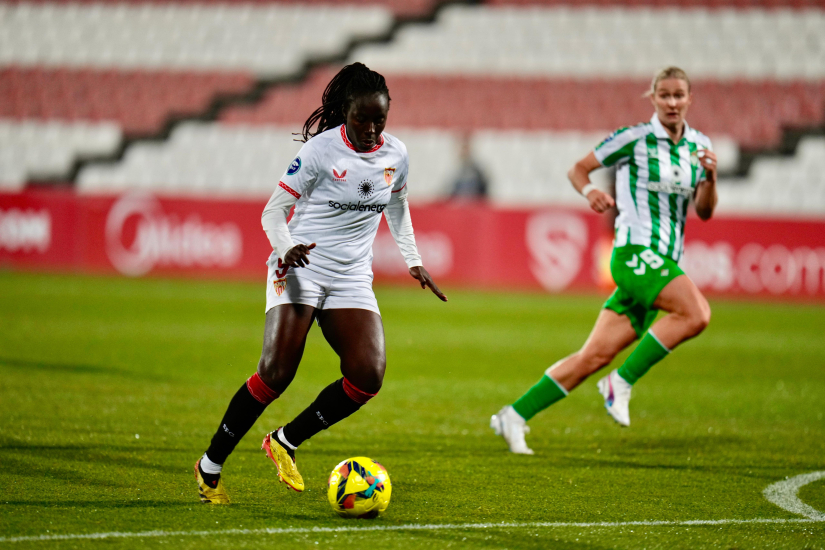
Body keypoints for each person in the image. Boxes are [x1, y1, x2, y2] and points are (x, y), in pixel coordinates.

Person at [194, 63, 447, 503]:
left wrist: (413, 259)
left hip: (351, 276)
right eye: (362, 119)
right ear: (345, 111)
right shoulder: (319, 152)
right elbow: (272, 211)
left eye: (379, 120)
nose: (371, 129)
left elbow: (399, 204)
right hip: (299, 266)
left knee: (367, 376)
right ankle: (210, 464)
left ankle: (284, 441)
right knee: (276, 373)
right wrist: (286, 246)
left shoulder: (397, 155)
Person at [491, 67, 717, 454]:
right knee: (696, 314)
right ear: (653, 98)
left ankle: (514, 415)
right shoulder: (635, 138)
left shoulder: (700, 146)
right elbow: (578, 169)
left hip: (661, 262)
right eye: (664, 95)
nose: (672, 102)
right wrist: (590, 190)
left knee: (593, 355)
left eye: (679, 95)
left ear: (690, 99)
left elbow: (706, 211)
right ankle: (622, 382)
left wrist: (711, 178)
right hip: (633, 254)